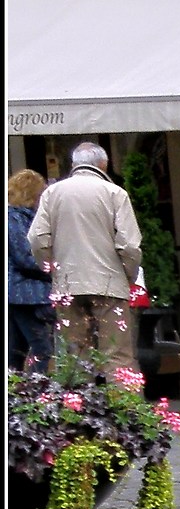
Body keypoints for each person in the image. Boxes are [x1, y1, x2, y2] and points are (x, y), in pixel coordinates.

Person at [27, 143, 140, 375]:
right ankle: (125, 409)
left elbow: (37, 238)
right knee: (117, 357)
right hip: (110, 284)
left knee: (75, 356)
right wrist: (128, 275)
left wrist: (50, 267)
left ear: (74, 164)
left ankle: (77, 409)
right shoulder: (115, 193)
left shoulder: (52, 192)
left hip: (67, 284)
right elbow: (129, 244)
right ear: (103, 164)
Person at [7, 169, 53, 372]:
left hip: (17, 293)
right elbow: (24, 256)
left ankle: (16, 397)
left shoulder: (17, 217)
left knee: (16, 351)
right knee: (42, 349)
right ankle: (35, 397)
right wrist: (54, 269)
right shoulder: (15, 219)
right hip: (25, 294)